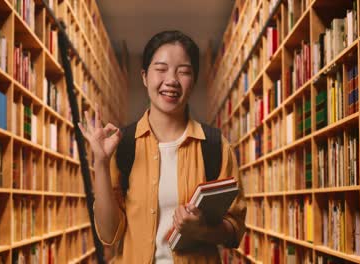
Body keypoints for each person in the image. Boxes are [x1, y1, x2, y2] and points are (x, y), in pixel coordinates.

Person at [78, 30, 246, 263]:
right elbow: (108, 235)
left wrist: (202, 231)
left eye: (184, 71)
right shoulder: (123, 144)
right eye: (161, 69)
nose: (172, 80)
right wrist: (101, 162)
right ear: (145, 77)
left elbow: (235, 230)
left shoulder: (215, 146)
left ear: (194, 80)